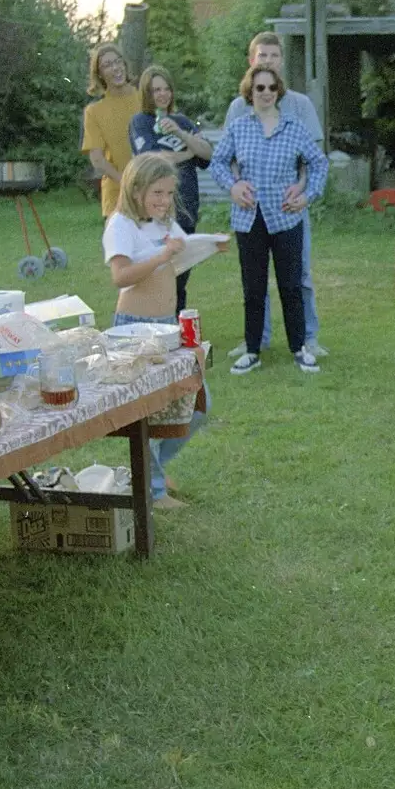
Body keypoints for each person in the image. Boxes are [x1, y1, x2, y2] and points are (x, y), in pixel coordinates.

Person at [102, 153, 224, 509]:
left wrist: (205, 247)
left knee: (198, 404)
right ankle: (153, 489)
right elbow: (121, 277)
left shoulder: (164, 222)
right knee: (148, 414)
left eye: (170, 193)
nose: (164, 201)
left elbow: (178, 257)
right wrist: (161, 256)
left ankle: (152, 470)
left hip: (167, 327)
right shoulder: (122, 224)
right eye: (157, 193)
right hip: (135, 330)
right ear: (136, 189)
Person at [208, 65, 327, 375]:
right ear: (250, 91)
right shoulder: (239, 128)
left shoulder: (294, 126)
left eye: (271, 88)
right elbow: (218, 162)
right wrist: (233, 187)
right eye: (259, 88)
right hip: (249, 219)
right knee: (253, 287)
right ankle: (252, 350)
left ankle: (299, 348)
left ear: (279, 91)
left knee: (291, 285)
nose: (265, 93)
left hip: (287, 216)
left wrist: (307, 195)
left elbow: (318, 163)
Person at [130, 65, 214, 315]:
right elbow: (153, 158)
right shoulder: (141, 122)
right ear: (147, 92)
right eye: (156, 90)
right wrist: (187, 153)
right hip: (158, 213)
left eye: (166, 89)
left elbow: (208, 153)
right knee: (157, 274)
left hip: (187, 209)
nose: (162, 94)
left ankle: (177, 330)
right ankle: (155, 324)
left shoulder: (183, 122)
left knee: (180, 277)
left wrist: (180, 132)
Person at [81, 43, 142, 217]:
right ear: (99, 74)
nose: (115, 68)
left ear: (124, 65)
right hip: (117, 194)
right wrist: (127, 183)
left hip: (152, 191)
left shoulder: (145, 99)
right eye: (107, 65)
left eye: (118, 62)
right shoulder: (94, 111)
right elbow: (98, 160)